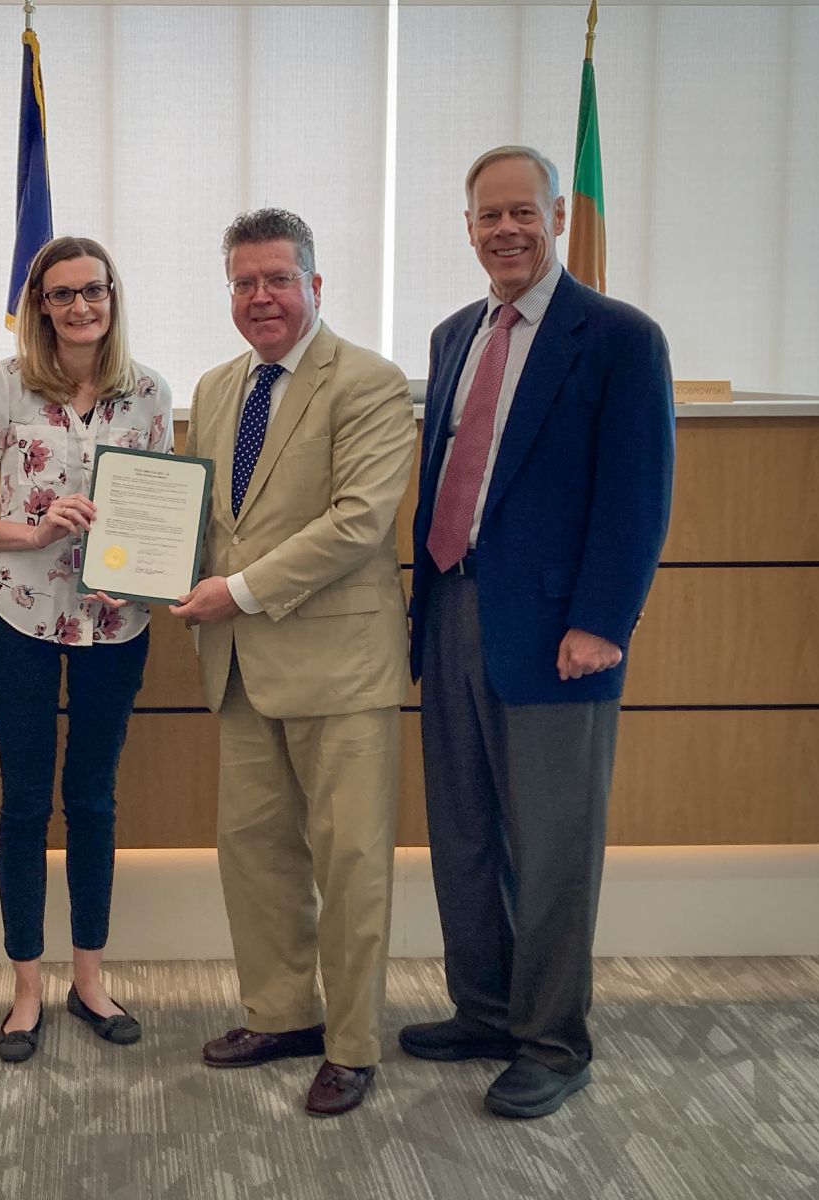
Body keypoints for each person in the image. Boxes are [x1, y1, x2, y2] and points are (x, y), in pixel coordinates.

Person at [401, 145, 674, 1118]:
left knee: (554, 846)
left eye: (524, 212)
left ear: (557, 217)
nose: (506, 230)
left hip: (563, 634)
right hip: (451, 609)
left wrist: (604, 621)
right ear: (468, 227)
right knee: (464, 832)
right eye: (488, 216)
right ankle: (483, 1007)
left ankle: (553, 1041)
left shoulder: (617, 338)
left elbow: (638, 493)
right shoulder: (450, 336)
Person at [171, 209, 415, 1117]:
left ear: (317, 285)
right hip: (238, 666)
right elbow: (206, 521)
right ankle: (281, 1012)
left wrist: (232, 592)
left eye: (278, 279)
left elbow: (357, 523)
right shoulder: (218, 385)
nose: (260, 297)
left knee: (348, 860)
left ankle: (352, 1043)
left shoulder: (370, 382)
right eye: (244, 282)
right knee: (255, 853)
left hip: (339, 665)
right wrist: (136, 570)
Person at [0, 236, 173, 1063]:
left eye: (94, 291)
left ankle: (88, 979)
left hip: (116, 627)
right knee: (22, 803)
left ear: (114, 296)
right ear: (40, 304)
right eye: (62, 294)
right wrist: (35, 531)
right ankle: (25, 990)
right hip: (20, 620)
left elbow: (158, 510)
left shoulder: (148, 391)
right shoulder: (2, 387)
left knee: (96, 801)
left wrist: (141, 575)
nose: (80, 307)